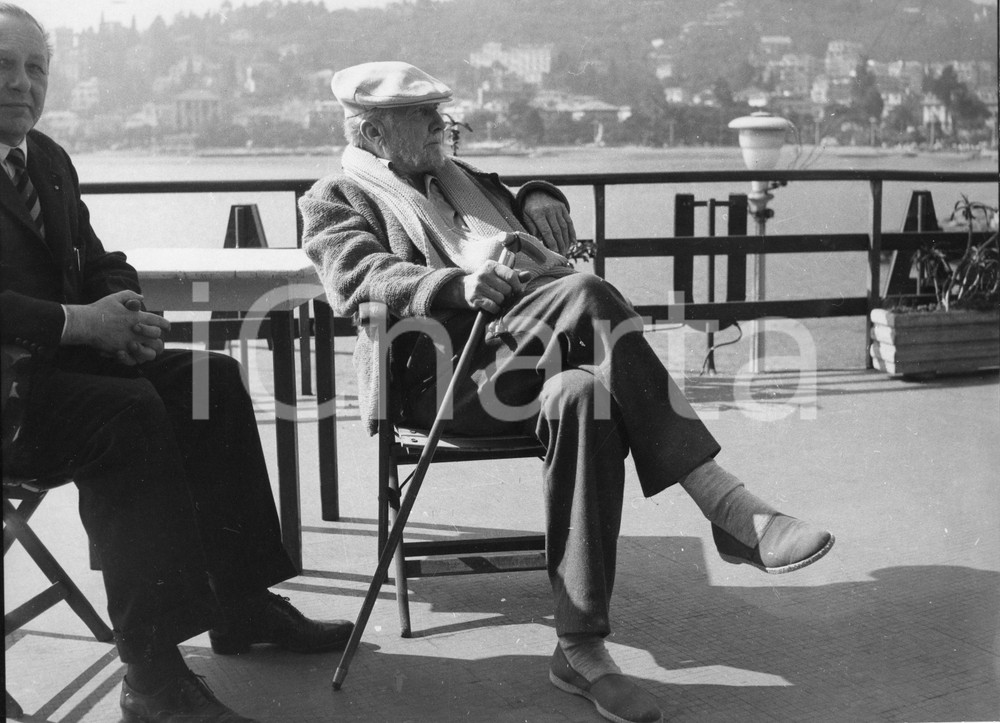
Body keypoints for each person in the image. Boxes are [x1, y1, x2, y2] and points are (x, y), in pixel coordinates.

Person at [300, 61, 835, 723]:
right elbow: (355, 275)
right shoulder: (336, 197)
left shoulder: (457, 178)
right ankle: (725, 505)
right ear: (375, 133)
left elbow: (509, 212)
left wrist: (539, 194)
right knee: (584, 293)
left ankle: (580, 650)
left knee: (583, 395)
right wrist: (450, 287)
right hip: (443, 380)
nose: (441, 122)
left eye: (439, 109)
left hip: (525, 358)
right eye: (421, 114)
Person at [0, 6, 353, 722]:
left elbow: (99, 259)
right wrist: (82, 324)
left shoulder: (47, 160)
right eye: (3, 66)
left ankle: (240, 602)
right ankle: (151, 675)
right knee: (126, 414)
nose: (21, 83)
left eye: (35, 68)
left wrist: (123, 312)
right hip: (11, 406)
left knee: (207, 381)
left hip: (57, 380)